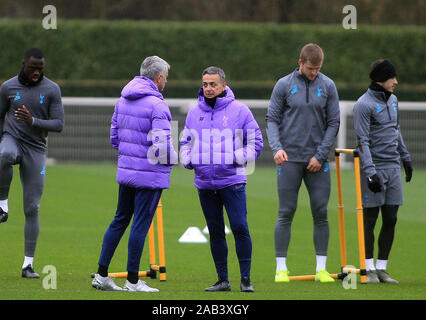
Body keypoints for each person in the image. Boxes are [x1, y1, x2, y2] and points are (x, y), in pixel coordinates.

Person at [91, 56, 176, 292]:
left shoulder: (122, 100)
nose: (166, 82)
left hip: (127, 172)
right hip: (150, 175)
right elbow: (161, 147)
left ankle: (102, 275)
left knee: (120, 220)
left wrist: (131, 157)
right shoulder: (157, 105)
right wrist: (175, 160)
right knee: (140, 224)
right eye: (166, 78)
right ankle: (132, 281)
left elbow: (114, 139)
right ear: (158, 78)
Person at [180, 66, 263, 292]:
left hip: (232, 182)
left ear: (223, 86)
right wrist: (188, 160)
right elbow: (184, 143)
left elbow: (256, 142)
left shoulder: (240, 111)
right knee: (215, 231)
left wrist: (236, 158)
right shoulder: (193, 112)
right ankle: (223, 280)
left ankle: (245, 280)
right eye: (205, 84)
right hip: (205, 184)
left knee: (239, 228)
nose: (208, 88)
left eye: (212, 84)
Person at [266, 43, 340, 283]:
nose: (314, 73)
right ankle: (281, 269)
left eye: (317, 69)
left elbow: (334, 123)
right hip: (289, 160)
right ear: (300, 63)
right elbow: (272, 119)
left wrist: (320, 155)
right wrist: (277, 149)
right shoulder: (283, 85)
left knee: (321, 212)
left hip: (317, 162)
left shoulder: (328, 86)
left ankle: (321, 269)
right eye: (310, 68)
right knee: (286, 212)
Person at [0, 48, 64, 278]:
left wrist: (34, 121)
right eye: (33, 68)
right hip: (12, 139)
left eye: (41, 68)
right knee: (7, 156)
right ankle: (2, 207)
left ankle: (27, 265)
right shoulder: (8, 87)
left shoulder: (52, 89)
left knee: (32, 208)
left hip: (36, 149)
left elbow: (59, 124)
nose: (37, 72)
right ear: (23, 64)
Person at [353, 59, 412, 284]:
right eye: (392, 78)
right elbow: (363, 141)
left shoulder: (394, 100)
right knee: (370, 218)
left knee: (391, 217)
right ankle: (368, 268)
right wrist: (370, 171)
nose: (396, 82)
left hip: (393, 167)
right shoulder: (363, 105)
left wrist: (405, 158)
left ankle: (382, 268)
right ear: (381, 79)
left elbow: (396, 131)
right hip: (374, 168)